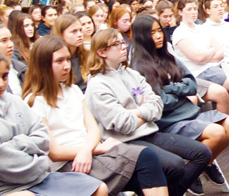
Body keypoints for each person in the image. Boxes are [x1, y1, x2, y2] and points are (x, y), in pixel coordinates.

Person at [0, 48, 108, 195]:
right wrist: (34, 154)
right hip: (4, 186)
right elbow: (3, 164)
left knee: (99, 189)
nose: (1, 83)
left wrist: (15, 144)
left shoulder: (12, 100)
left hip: (41, 178)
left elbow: (43, 137)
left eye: (4, 76)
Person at [23, 36, 168, 196]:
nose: (66, 66)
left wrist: (88, 150)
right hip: (68, 163)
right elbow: (54, 152)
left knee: (148, 159)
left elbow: (93, 129)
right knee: (145, 161)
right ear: (43, 65)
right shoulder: (35, 101)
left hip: (90, 151)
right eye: (59, 61)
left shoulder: (72, 90)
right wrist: (94, 150)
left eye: (68, 60)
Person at [84, 29, 212, 196]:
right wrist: (145, 111)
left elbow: (157, 105)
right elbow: (124, 125)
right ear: (101, 52)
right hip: (126, 141)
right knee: (174, 165)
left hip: (150, 132)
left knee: (202, 153)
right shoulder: (97, 85)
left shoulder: (132, 74)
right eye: (116, 44)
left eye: (123, 42)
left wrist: (136, 112)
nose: (123, 47)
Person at [131, 16, 229, 195]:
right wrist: (178, 94)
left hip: (189, 114)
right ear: (142, 36)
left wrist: (171, 88)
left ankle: (202, 166)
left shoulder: (166, 56)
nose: (159, 36)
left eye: (159, 30)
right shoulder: (138, 67)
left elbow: (191, 85)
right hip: (169, 123)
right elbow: (162, 103)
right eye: (152, 33)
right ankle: (185, 180)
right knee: (217, 132)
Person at [51, 15, 89, 92]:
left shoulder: (87, 54)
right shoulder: (53, 58)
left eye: (80, 30)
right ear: (61, 34)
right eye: (73, 31)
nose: (79, 35)